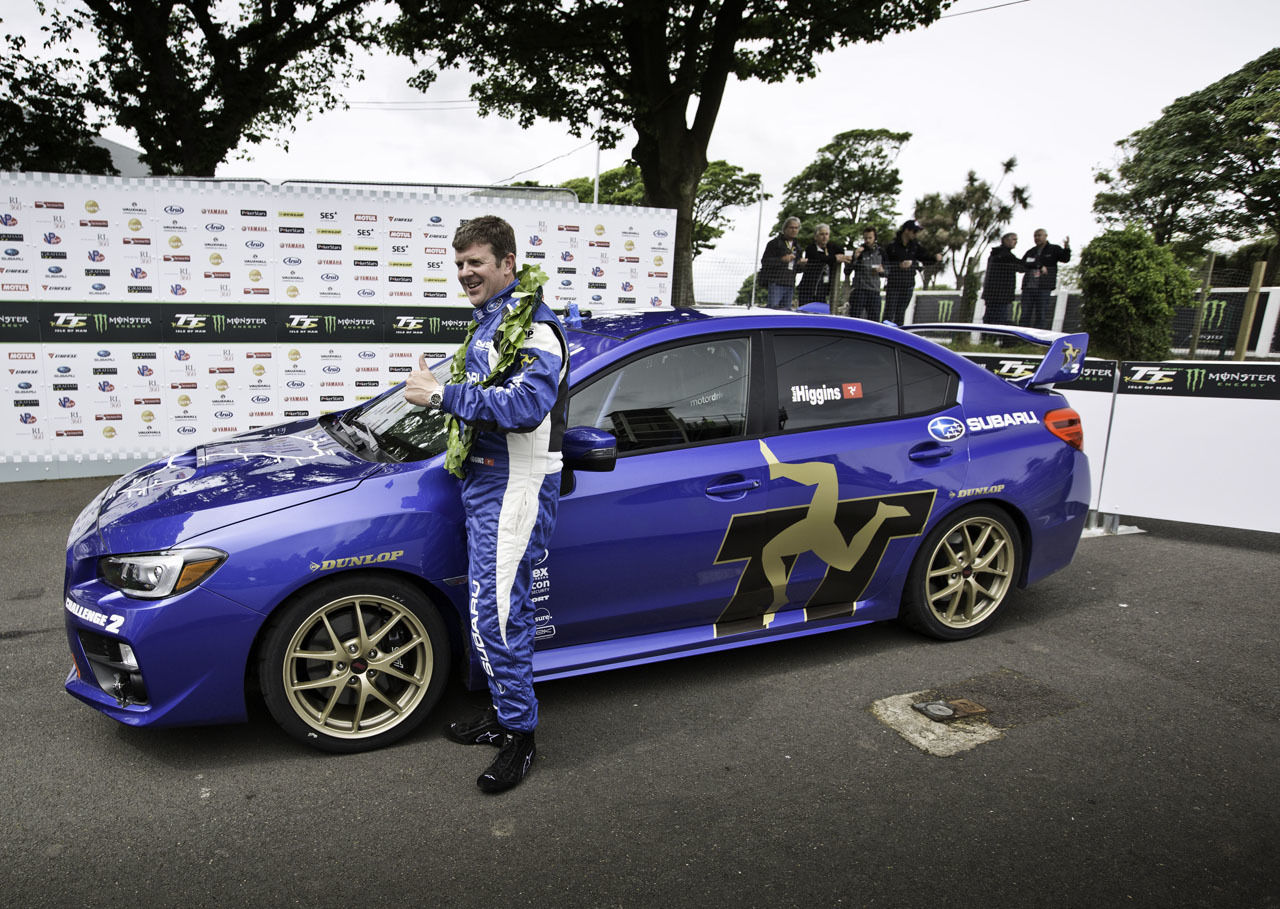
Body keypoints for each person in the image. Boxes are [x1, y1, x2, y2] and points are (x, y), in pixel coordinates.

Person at [403, 214, 568, 794]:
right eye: (459, 264)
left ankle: (521, 738)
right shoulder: (491, 321)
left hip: (515, 489)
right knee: (484, 613)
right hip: (483, 486)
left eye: (476, 262)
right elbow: (484, 392)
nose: (465, 273)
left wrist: (441, 393)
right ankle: (502, 716)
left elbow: (526, 407)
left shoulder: (537, 329)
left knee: (500, 617)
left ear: (508, 265)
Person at [882, 219, 941, 324]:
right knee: (889, 313)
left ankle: (897, 338)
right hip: (894, 284)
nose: (916, 234)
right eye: (914, 231)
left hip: (908, 285)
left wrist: (935, 258)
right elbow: (884, 263)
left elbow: (925, 258)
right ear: (907, 231)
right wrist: (898, 265)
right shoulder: (892, 247)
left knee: (900, 314)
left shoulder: (915, 246)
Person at [1019, 229, 1071, 330]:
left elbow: (1065, 259)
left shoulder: (1054, 249)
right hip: (1028, 288)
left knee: (1041, 313)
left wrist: (1067, 248)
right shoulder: (1031, 251)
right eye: (1035, 236)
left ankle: (1038, 339)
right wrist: (1038, 265)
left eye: (1039, 235)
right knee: (1025, 313)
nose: (1037, 238)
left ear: (1045, 236)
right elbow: (1022, 265)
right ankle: (1022, 338)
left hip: (1044, 288)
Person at [795, 223, 849, 310]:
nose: (824, 237)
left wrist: (850, 255)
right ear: (816, 237)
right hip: (808, 289)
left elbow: (843, 252)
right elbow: (819, 258)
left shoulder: (831, 247)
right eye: (822, 234)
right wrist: (834, 258)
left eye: (826, 234)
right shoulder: (810, 248)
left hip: (823, 291)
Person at [758, 217, 803, 309]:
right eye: (791, 227)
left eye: (796, 228)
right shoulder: (774, 243)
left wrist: (802, 265)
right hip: (776, 282)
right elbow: (765, 262)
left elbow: (797, 269)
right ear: (785, 229)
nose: (794, 230)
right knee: (773, 309)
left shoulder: (797, 246)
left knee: (786, 311)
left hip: (790, 283)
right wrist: (782, 260)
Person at [981, 232, 1024, 326]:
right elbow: (1021, 267)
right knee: (998, 319)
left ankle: (988, 337)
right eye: (1013, 239)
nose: (1015, 242)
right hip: (1001, 295)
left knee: (990, 317)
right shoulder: (1005, 255)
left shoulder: (996, 254)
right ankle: (991, 337)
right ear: (1005, 240)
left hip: (992, 294)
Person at [845, 226, 885, 320]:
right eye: (865, 238)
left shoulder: (881, 252)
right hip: (859, 290)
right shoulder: (859, 251)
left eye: (870, 238)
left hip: (874, 290)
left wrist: (882, 270)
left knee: (874, 319)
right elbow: (847, 271)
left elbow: (887, 271)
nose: (867, 240)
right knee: (855, 318)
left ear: (875, 238)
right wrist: (855, 257)